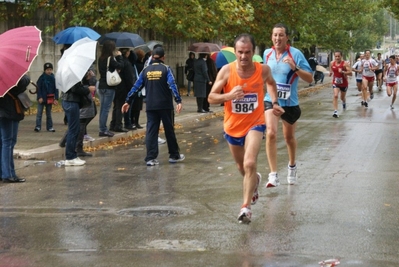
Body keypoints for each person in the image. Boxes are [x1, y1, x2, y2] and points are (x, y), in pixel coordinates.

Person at [208, 33, 284, 224]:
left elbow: (272, 84)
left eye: (247, 52)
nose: (243, 57)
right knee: (242, 167)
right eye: (240, 52)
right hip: (232, 126)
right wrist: (229, 96)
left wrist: (274, 102)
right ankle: (255, 182)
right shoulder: (226, 71)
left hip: (255, 123)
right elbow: (211, 97)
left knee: (250, 163)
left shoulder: (263, 70)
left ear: (253, 51)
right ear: (235, 52)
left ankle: (245, 208)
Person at [263, 23, 313, 188]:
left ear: (287, 37)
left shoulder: (296, 54)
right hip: (270, 100)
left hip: (290, 102)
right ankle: (273, 175)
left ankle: (292, 166)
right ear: (271, 36)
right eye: (275, 35)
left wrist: (295, 67)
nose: (277, 38)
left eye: (281, 35)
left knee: (288, 138)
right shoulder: (267, 54)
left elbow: (310, 79)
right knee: (270, 133)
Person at [122, 47, 184, 166]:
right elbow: (172, 85)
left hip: (151, 105)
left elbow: (136, 86)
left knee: (151, 131)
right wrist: (178, 100)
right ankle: (174, 155)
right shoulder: (166, 69)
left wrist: (128, 100)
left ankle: (150, 158)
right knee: (169, 130)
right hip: (165, 105)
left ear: (152, 57)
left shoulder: (146, 70)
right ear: (163, 57)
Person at [0, 75, 30, 183]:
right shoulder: (8, 74)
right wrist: (26, 76)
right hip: (9, 111)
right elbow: (21, 84)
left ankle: (3, 172)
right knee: (8, 142)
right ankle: (8, 174)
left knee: (3, 143)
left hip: (3, 111)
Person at [62, 70, 95, 166]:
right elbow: (75, 89)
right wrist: (87, 89)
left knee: (75, 129)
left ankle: (72, 155)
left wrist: (86, 79)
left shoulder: (72, 72)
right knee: (73, 130)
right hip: (71, 102)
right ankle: (70, 156)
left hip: (72, 101)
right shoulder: (71, 73)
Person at [97, 40, 124, 137]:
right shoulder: (110, 58)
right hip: (109, 86)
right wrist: (120, 56)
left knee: (103, 108)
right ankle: (103, 129)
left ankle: (102, 127)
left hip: (101, 85)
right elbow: (121, 65)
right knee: (106, 109)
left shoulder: (101, 58)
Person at [110, 48, 136, 132]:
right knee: (121, 106)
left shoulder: (115, 62)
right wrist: (132, 89)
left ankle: (113, 124)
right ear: (127, 53)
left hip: (116, 86)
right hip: (124, 88)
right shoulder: (126, 63)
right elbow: (129, 78)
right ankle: (118, 125)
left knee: (116, 106)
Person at [76, 68, 97, 157]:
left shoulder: (85, 69)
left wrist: (88, 78)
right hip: (79, 100)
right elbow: (76, 88)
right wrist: (87, 88)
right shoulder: (76, 73)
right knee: (81, 122)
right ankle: (78, 147)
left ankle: (77, 146)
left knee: (86, 118)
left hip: (84, 98)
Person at [34, 62, 59, 132]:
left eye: (50, 69)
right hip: (42, 98)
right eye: (47, 70)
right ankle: (38, 126)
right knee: (39, 113)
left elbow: (56, 89)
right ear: (44, 70)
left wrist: (56, 98)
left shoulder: (53, 78)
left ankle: (50, 127)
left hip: (50, 98)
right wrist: (39, 97)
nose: (49, 71)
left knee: (49, 113)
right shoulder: (41, 78)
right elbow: (38, 88)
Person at [329, 51, 352, 118]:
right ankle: (335, 111)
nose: (337, 58)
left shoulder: (345, 64)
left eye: (338, 56)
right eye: (336, 56)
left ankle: (344, 102)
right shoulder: (332, 63)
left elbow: (350, 73)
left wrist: (342, 71)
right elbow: (331, 69)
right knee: (336, 95)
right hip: (335, 82)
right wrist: (330, 73)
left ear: (341, 56)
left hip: (344, 83)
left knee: (342, 97)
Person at [129, 49, 145, 129]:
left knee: (133, 105)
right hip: (139, 87)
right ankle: (136, 122)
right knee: (138, 106)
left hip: (133, 87)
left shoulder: (133, 65)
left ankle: (131, 121)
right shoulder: (142, 66)